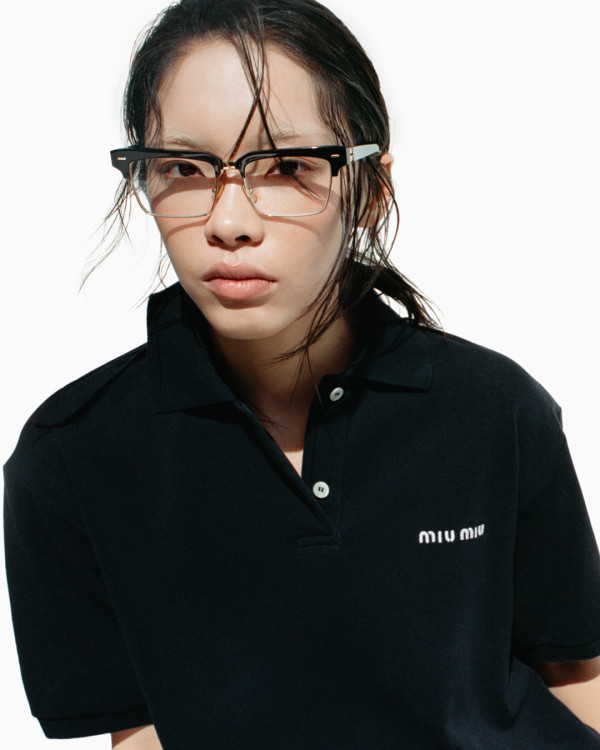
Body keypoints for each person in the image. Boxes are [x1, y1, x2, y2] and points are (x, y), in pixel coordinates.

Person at [3, 0, 600, 748]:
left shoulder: (495, 409)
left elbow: (579, 679)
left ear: (370, 188)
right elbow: (139, 733)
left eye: (286, 166)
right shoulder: (73, 456)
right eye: (184, 168)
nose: (229, 222)